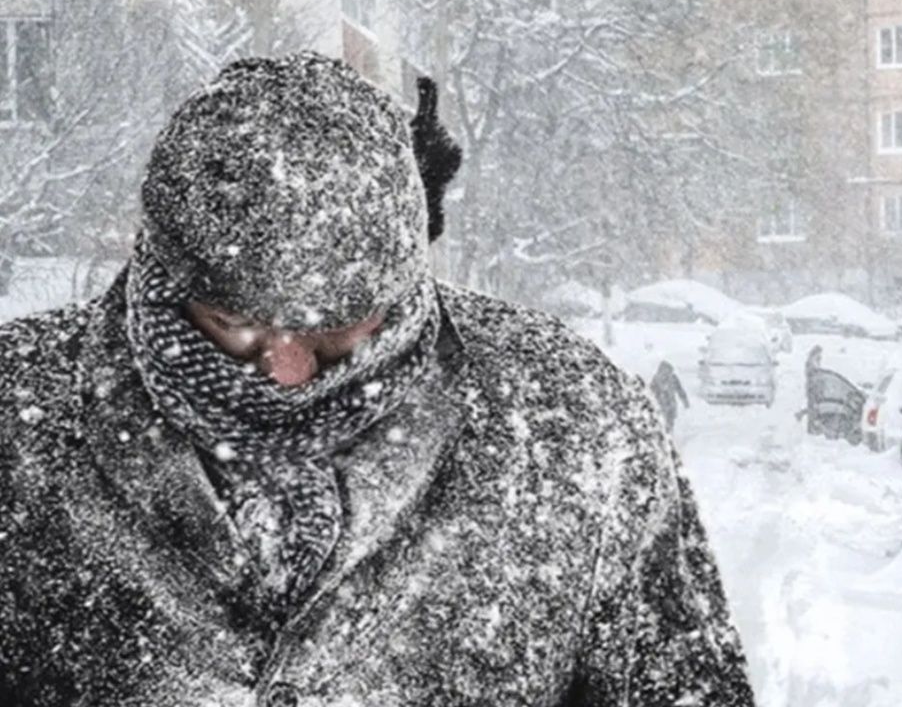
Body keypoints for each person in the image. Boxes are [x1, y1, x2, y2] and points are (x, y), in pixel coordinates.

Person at [0, 53, 753, 706]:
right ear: (165, 278)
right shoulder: (16, 419)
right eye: (234, 323)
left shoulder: (574, 423)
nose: (288, 374)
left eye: (338, 327)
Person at [649, 360, 690, 432]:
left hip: (670, 405)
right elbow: (651, 392)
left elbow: (680, 389)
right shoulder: (656, 379)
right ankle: (666, 434)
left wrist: (685, 401)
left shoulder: (673, 378)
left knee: (669, 423)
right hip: (662, 405)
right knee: (663, 423)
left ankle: (669, 434)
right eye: (665, 371)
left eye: (669, 371)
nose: (667, 374)